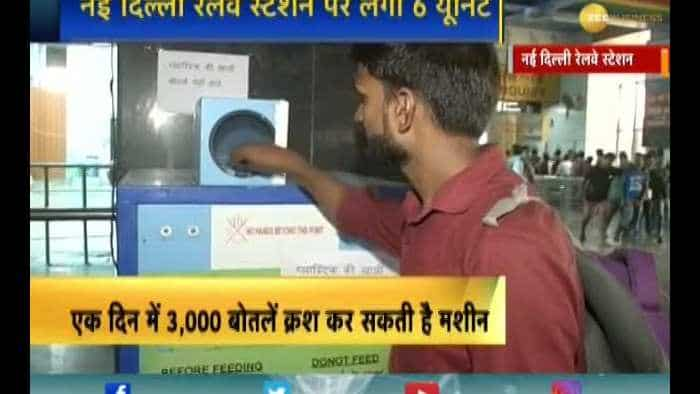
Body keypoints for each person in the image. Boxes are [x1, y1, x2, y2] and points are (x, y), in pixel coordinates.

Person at [231, 44, 585, 373]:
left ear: (402, 109)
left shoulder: (509, 248)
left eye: (364, 99)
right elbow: (354, 210)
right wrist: (298, 168)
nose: (358, 116)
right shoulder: (431, 212)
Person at [580, 152, 614, 244]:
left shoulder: (610, 171)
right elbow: (585, 181)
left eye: (611, 161)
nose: (609, 163)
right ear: (604, 159)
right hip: (591, 198)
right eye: (608, 161)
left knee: (605, 215)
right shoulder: (593, 170)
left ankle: (603, 235)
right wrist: (584, 193)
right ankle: (582, 231)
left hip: (603, 199)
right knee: (587, 216)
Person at [613, 152, 647, 242]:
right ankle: (617, 232)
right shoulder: (628, 172)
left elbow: (645, 188)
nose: (638, 162)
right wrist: (623, 199)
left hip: (638, 199)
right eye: (637, 160)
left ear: (643, 162)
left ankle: (627, 238)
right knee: (626, 218)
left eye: (640, 160)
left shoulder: (644, 174)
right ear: (634, 161)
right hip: (628, 199)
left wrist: (641, 199)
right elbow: (622, 186)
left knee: (635, 220)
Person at [604, 152, 627, 245]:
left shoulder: (625, 172)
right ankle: (605, 233)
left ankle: (618, 235)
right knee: (609, 216)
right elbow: (608, 169)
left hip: (622, 198)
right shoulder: (616, 171)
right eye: (621, 160)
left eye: (623, 160)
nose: (622, 162)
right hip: (613, 197)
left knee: (624, 218)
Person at [646, 152, 666, 243]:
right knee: (650, 215)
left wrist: (665, 197)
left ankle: (659, 234)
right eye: (649, 159)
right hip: (649, 197)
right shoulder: (645, 170)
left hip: (659, 196)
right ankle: (650, 232)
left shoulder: (660, 170)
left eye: (653, 159)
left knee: (660, 216)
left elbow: (663, 184)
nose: (651, 161)